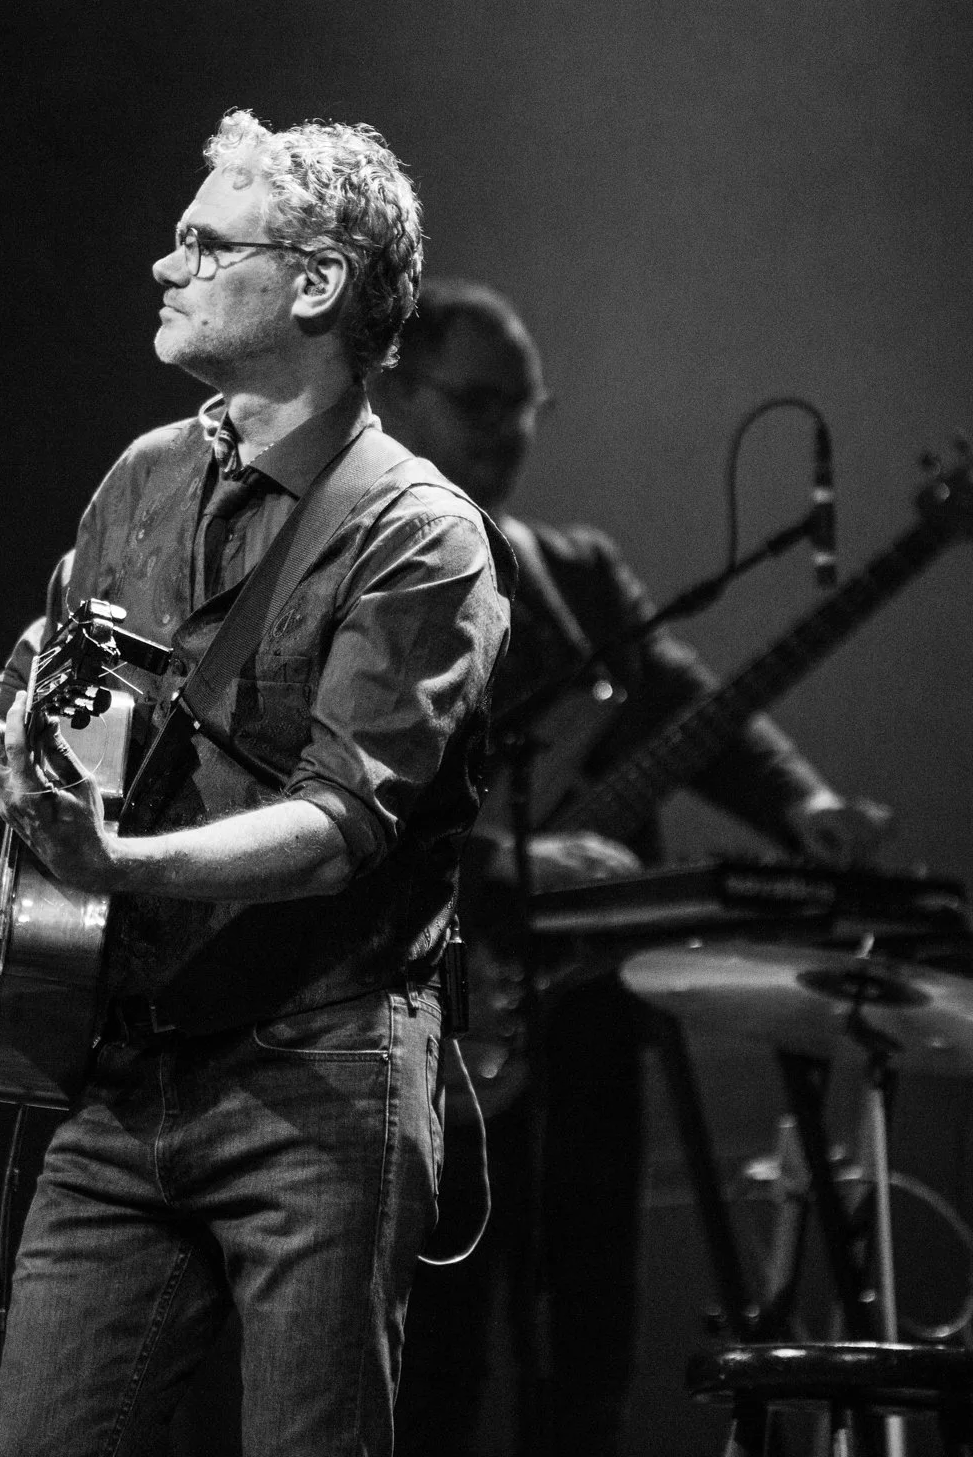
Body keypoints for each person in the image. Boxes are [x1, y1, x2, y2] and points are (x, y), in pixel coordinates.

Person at [0, 115, 512, 1457]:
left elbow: (342, 821)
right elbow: (44, 682)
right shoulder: (149, 477)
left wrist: (119, 865)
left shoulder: (418, 534)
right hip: (121, 1069)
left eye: (206, 244)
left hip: (317, 1075)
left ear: (317, 283)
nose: (167, 267)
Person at [374, 279, 890, 1456]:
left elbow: (695, 708)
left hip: (591, 1014)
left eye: (527, 406)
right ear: (396, 391)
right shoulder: (349, 567)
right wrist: (511, 859)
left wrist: (802, 802)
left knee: (591, 1348)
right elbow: (333, 800)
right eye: (479, 402)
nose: (509, 430)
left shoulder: (578, 572)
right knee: (433, 1361)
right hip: (422, 1012)